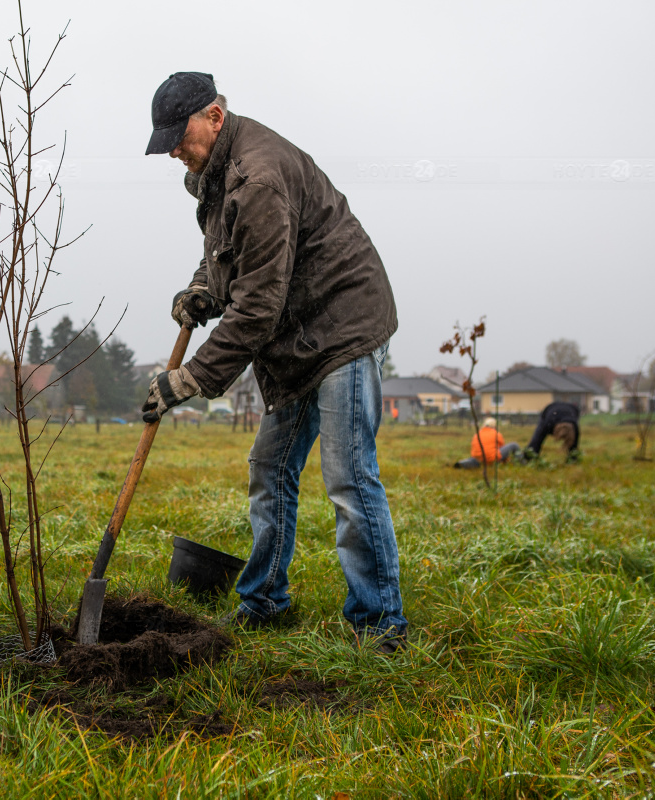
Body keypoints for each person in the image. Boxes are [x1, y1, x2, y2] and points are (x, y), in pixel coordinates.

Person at [140, 72, 406, 652]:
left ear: (214, 115)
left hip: (342, 327)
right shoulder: (214, 176)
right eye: (167, 143)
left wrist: (191, 378)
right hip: (295, 338)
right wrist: (202, 288)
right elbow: (226, 256)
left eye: (179, 137)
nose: (174, 153)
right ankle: (264, 600)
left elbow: (258, 306)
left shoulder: (258, 176)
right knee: (271, 469)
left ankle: (380, 625)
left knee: (347, 477)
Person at [454, 417, 520, 468]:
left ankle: (466, 463)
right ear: (495, 426)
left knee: (477, 460)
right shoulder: (496, 433)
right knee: (514, 445)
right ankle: (522, 462)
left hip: (477, 458)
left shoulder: (477, 434)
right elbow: (501, 448)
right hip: (492, 458)